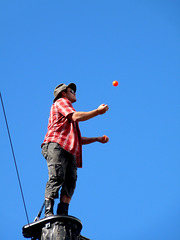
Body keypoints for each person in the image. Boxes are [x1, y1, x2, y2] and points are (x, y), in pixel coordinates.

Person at [41, 83, 109, 217]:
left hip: (68, 149)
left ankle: (63, 213)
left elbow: (76, 139)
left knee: (70, 181)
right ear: (63, 93)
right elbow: (76, 116)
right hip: (56, 144)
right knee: (57, 176)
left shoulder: (69, 112)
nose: (75, 93)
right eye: (71, 91)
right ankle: (48, 212)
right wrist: (97, 112)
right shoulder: (61, 102)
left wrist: (97, 139)